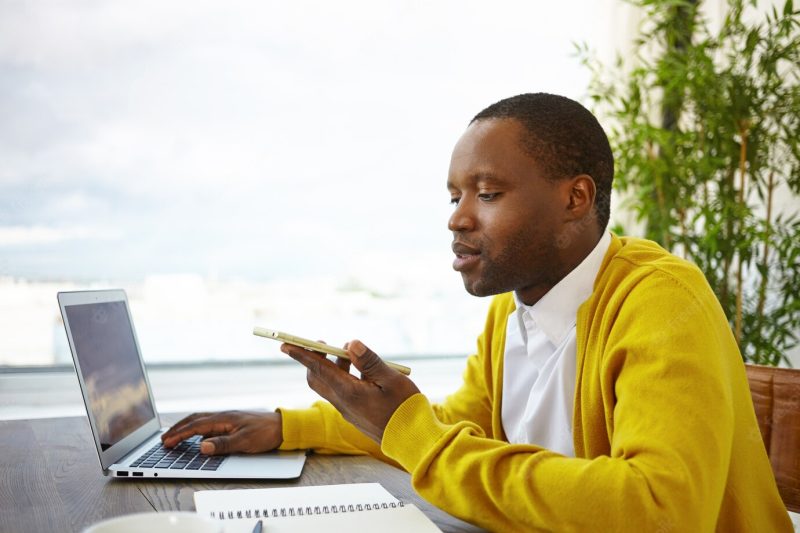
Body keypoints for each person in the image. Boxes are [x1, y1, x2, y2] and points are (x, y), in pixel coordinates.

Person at [162, 93, 791, 532]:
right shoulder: (514, 308)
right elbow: (457, 428)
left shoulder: (659, 300)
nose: (458, 218)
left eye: (487, 194)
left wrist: (413, 432)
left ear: (576, 198)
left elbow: (658, 512)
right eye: (455, 195)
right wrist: (290, 427)